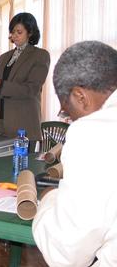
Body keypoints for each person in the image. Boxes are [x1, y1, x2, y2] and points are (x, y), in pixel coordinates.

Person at [33, 41, 117, 266]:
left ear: (80, 97)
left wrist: (49, 197)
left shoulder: (93, 131)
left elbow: (65, 255)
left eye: (68, 113)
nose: (71, 121)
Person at [0, 12, 50, 150]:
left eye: (19, 32)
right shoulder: (4, 57)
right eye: (12, 32)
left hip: (24, 124)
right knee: (0, 168)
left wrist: (0, 85)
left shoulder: (40, 56)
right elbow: (0, 87)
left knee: (23, 169)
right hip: (1, 123)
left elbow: (31, 89)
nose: (14, 36)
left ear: (30, 32)